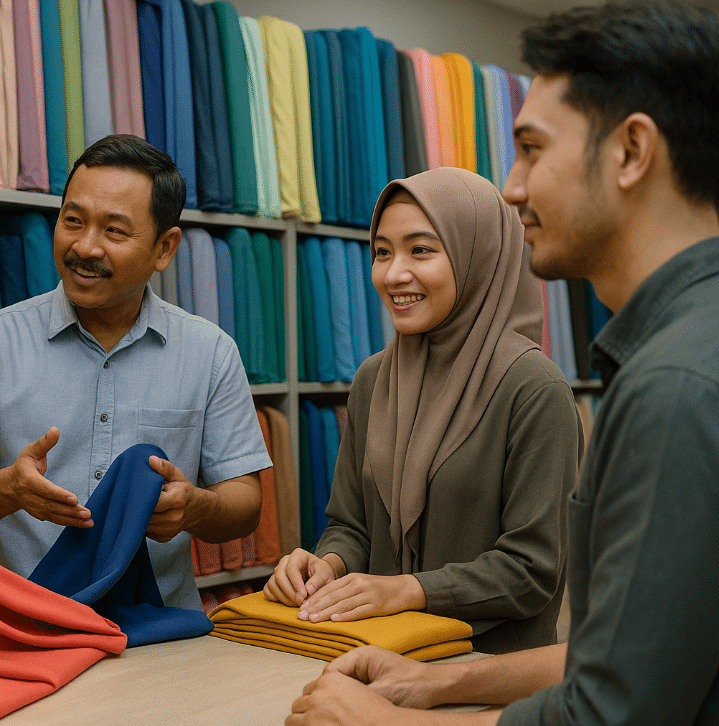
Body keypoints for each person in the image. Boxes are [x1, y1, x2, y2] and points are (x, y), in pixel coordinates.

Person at [286, 3, 719, 724]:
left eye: (531, 149)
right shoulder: (670, 358)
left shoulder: (674, 385)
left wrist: (393, 721)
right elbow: (614, 655)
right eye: (383, 251)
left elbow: (612, 708)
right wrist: (428, 685)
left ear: (631, 151)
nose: (512, 187)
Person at [0, 134, 271, 611]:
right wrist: (9, 488)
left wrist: (196, 507)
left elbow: (244, 500)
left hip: (158, 635)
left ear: (164, 249)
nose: (85, 247)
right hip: (24, 625)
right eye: (73, 222)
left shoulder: (210, 353)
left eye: (114, 231)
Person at [264, 167, 582, 655]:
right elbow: (351, 525)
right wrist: (325, 564)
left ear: (479, 256)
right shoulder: (373, 380)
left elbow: (533, 570)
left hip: (488, 675)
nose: (393, 274)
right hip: (380, 659)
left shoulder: (533, 389)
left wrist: (409, 590)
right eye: (382, 252)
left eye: (422, 250)